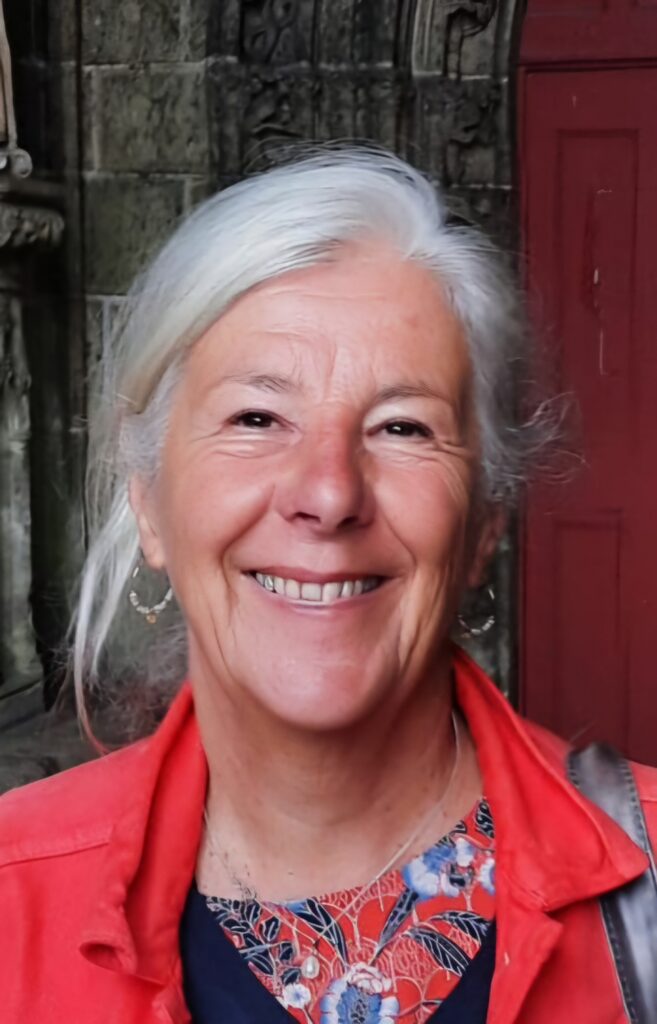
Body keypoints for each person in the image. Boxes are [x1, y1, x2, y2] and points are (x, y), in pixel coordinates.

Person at [0, 148, 654, 1024]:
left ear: (483, 522)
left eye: (401, 427)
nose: (329, 492)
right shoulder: (13, 893)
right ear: (148, 500)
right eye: (256, 417)